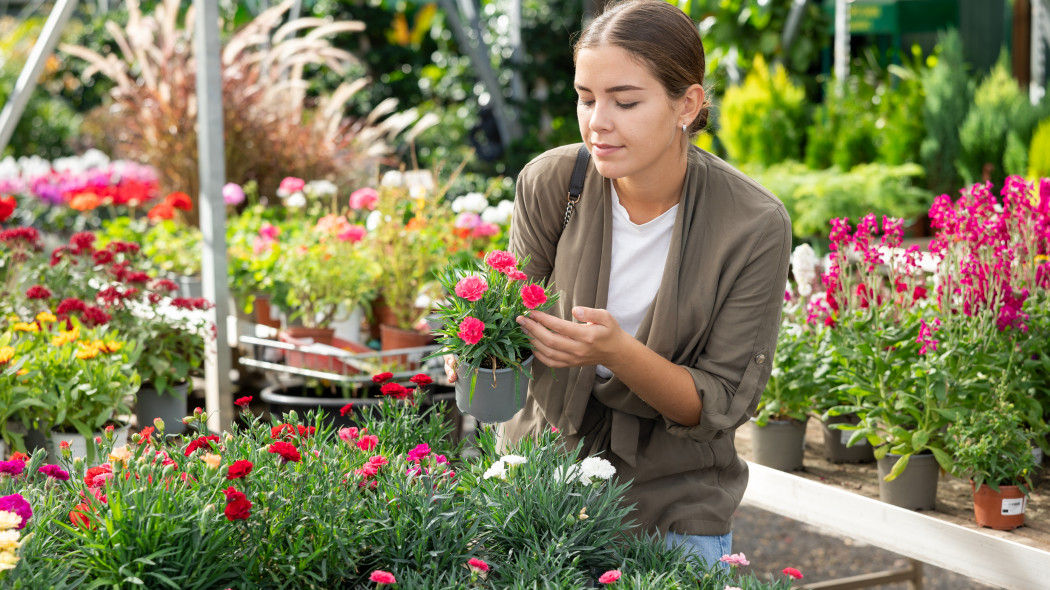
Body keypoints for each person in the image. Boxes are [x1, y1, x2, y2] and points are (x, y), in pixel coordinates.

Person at [446, 0, 791, 566]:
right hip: (538, 486)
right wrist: (477, 349)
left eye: (625, 101)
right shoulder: (553, 182)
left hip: (673, 505)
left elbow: (718, 404)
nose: (597, 121)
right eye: (585, 98)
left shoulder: (752, 224)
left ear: (687, 104)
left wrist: (617, 352)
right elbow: (508, 321)